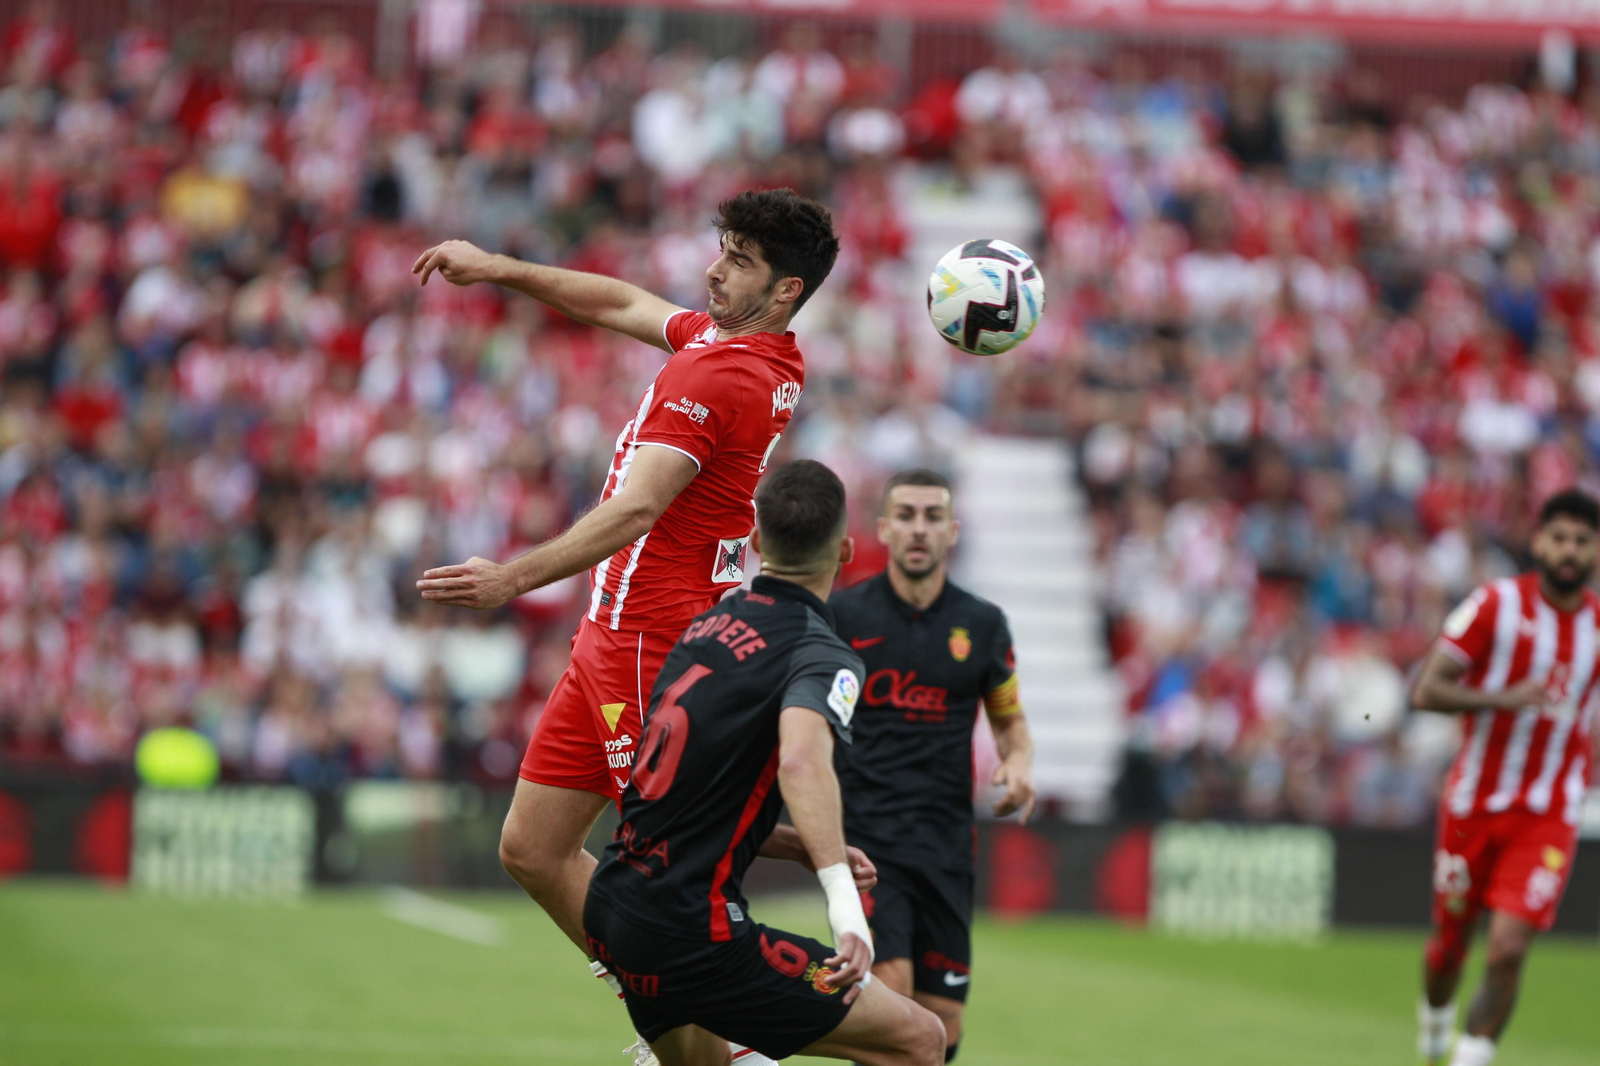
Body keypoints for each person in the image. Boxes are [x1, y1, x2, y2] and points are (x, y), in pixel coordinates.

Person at [412, 189, 851, 1066]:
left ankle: (729, 1042)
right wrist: (497, 268)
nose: (713, 271)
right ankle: (700, 1010)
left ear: (786, 291)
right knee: (533, 849)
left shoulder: (718, 374)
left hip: (652, 637)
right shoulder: (751, 350)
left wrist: (511, 578)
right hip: (610, 635)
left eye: (739, 261)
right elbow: (618, 302)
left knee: (658, 873)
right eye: (721, 249)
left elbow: (638, 507)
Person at [585, 459, 947, 1066]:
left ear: (755, 541)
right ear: (846, 550)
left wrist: (796, 845)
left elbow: (670, 791)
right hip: (691, 930)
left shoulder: (704, 629)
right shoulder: (820, 654)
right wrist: (845, 907)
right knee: (920, 1040)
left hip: (614, 905)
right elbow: (802, 763)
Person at [829, 468, 1036, 1061]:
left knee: (943, 1023)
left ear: (952, 531)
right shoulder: (844, 616)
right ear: (884, 529)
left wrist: (1019, 763)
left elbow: (1010, 721)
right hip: (867, 843)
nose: (919, 528)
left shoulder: (983, 624)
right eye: (907, 515)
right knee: (889, 990)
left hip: (946, 845)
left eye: (932, 516)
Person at [1409, 488, 1600, 1066]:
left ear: (1595, 551)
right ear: (1538, 542)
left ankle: (1472, 1058)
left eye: (1582, 541)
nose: (1569, 551)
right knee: (1450, 945)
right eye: (1559, 538)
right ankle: (1434, 1024)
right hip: (1474, 804)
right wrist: (1502, 698)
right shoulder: (1495, 605)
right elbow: (1426, 690)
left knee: (1509, 947)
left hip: (1549, 811)